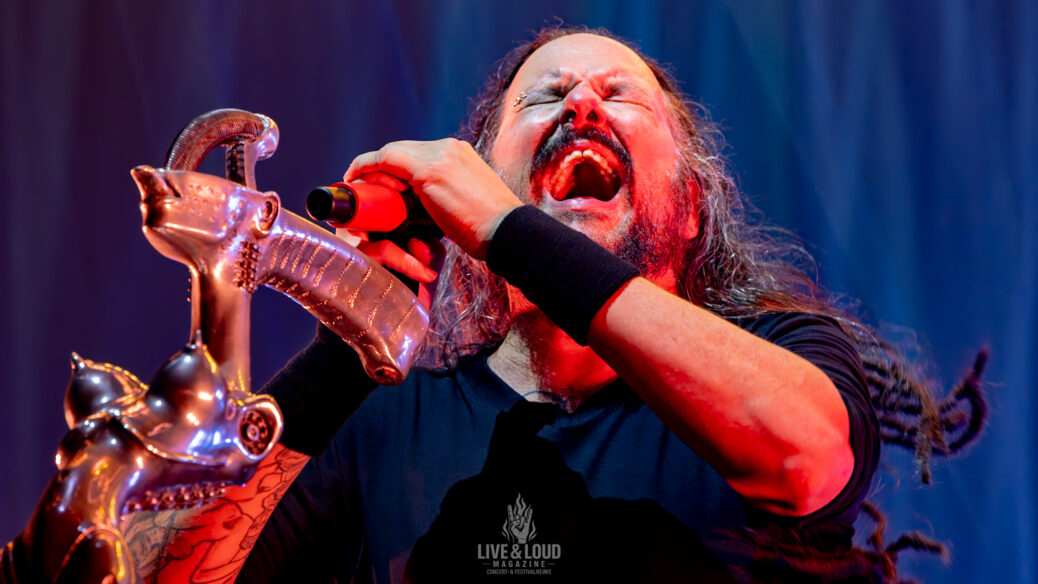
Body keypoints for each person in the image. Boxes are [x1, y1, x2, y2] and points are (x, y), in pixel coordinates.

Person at [127, 26, 895, 583]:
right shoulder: (386, 424)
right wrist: (340, 359)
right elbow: (168, 573)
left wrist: (510, 230)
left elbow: (806, 455)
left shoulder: (781, 354)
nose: (583, 103)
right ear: (477, 182)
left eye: (619, 95)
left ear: (691, 207)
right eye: (547, 95)